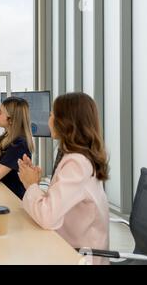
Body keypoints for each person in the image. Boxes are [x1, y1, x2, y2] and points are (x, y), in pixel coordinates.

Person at [17, 93, 110, 265]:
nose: (49, 118)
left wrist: (31, 185)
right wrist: (33, 183)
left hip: (77, 255)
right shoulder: (76, 156)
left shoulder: (77, 163)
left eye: (52, 114)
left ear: (66, 122)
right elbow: (58, 202)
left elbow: (47, 216)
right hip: (67, 246)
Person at [0, 97, 34, 200]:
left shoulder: (19, 145)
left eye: (0, 112)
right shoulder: (4, 139)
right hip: (2, 195)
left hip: (14, 199)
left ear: (10, 119)